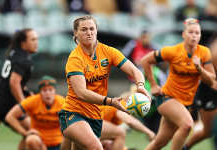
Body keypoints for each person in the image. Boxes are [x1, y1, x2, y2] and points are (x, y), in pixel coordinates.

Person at [59, 15, 150, 150]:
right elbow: (81, 92)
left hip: (96, 116)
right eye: (84, 30)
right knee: (97, 147)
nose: (89, 32)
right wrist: (110, 101)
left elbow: (134, 71)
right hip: (74, 114)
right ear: (76, 33)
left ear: (96, 30)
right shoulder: (75, 59)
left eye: (92, 29)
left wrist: (141, 86)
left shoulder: (108, 51)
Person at [141, 18, 216, 150]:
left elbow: (211, 80)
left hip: (184, 104)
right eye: (190, 32)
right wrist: (153, 85)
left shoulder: (204, 53)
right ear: (183, 34)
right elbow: (145, 61)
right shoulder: (172, 51)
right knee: (187, 125)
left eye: (197, 33)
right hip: (166, 98)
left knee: (160, 142)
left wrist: (200, 69)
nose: (193, 36)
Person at [122, 30, 165, 133]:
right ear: (140, 37)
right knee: (128, 98)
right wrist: (132, 66)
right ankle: (126, 123)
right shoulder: (133, 45)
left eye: (147, 37)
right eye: (143, 37)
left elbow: (162, 59)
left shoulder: (154, 48)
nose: (145, 39)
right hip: (135, 79)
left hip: (151, 82)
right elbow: (122, 58)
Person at [6, 75, 65, 150]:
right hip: (40, 142)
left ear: (55, 91)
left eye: (50, 90)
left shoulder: (62, 102)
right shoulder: (33, 101)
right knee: (31, 140)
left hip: (59, 143)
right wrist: (24, 133)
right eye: (44, 90)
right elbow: (10, 116)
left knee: (76, 137)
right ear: (40, 92)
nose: (48, 93)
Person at [183, 35, 217, 150]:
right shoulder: (214, 51)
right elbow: (210, 80)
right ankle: (185, 147)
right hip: (210, 91)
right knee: (208, 131)